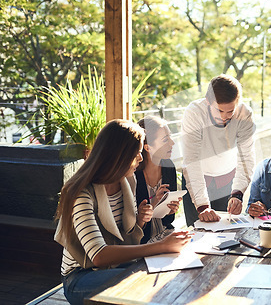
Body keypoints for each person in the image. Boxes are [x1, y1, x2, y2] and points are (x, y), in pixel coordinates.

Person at [54, 119, 190, 305]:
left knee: (169, 274)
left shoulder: (127, 182)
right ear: (118, 156)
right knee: (145, 283)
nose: (141, 159)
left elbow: (125, 234)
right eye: (136, 154)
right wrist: (161, 246)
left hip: (118, 266)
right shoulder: (82, 194)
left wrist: (140, 221)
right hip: (80, 277)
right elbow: (99, 256)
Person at [181, 74, 256, 226]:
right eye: (219, 111)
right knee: (198, 233)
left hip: (227, 179)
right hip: (198, 177)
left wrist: (238, 194)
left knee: (226, 233)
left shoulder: (245, 114)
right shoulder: (194, 112)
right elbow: (191, 160)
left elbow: (246, 157)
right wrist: (202, 205)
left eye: (230, 111)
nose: (224, 117)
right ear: (208, 101)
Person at [135, 116, 181, 243]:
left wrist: (170, 210)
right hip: (142, 243)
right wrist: (154, 203)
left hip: (165, 235)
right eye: (165, 139)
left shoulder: (169, 167)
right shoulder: (133, 175)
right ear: (147, 147)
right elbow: (134, 227)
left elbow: (168, 221)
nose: (172, 143)